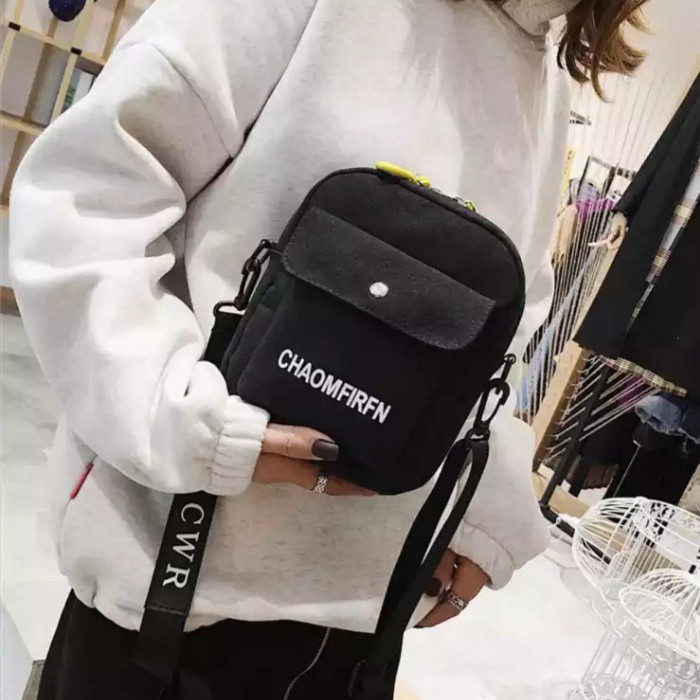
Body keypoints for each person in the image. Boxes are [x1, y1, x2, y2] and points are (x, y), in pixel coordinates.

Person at [9, 0, 647, 697]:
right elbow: (88, 198)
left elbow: (499, 333)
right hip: (166, 599)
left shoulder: (543, 66)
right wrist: (183, 420)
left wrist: (478, 511)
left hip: (363, 630)